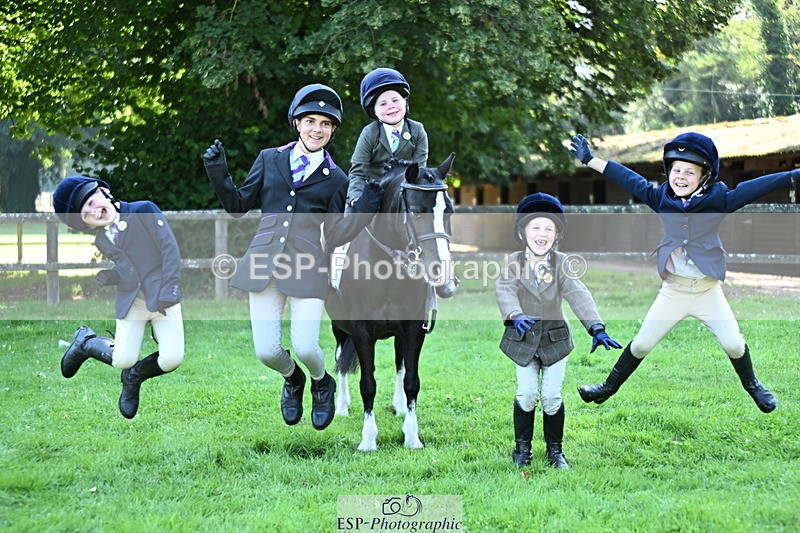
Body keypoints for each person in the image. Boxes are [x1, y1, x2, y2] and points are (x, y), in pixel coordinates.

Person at [570, 132, 798, 413]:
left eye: (690, 172)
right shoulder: (660, 196)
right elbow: (628, 178)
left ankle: (754, 386)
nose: (681, 176)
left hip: (707, 291)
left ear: (704, 177)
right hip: (674, 291)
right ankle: (607, 388)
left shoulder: (720, 199)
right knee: (641, 343)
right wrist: (591, 160)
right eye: (676, 170)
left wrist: (793, 175)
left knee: (733, 343)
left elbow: (756, 186)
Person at [202, 84, 379, 431]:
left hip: (308, 269)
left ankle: (321, 381)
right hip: (263, 264)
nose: (317, 129)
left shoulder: (337, 179)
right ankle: (293, 379)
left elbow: (337, 234)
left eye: (326, 124)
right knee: (267, 351)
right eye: (310, 121)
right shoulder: (270, 159)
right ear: (297, 123)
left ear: (332, 131)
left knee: (306, 345)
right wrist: (218, 172)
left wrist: (365, 213)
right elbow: (238, 206)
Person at [495, 193, 622, 469]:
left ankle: (555, 451)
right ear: (522, 231)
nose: (542, 234)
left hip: (555, 342)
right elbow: (504, 290)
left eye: (549, 229)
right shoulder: (513, 262)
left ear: (557, 235)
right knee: (526, 394)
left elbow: (578, 294)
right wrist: (514, 315)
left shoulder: (562, 263)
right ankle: (522, 449)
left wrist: (596, 327)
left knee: (552, 395)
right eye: (536, 227)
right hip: (523, 340)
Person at [53, 176, 184, 419]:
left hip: (164, 295)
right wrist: (114, 276)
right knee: (122, 358)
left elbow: (169, 250)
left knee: (172, 359)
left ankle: (134, 376)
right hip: (133, 301)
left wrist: (171, 290)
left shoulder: (144, 210)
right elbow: (130, 269)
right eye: (86, 214)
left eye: (93, 202)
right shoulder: (102, 240)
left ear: (103, 192)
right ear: (86, 224)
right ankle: (86, 342)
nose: (95, 211)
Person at [346, 67, 429, 206]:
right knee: (352, 220)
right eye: (383, 103)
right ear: (375, 111)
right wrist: (356, 199)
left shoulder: (417, 130)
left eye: (395, 100)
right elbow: (358, 173)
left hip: (405, 194)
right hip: (372, 195)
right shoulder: (369, 133)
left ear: (405, 101)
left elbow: (419, 171)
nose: (391, 106)